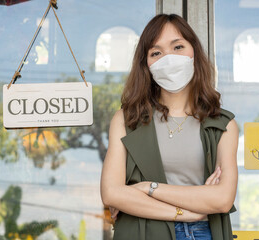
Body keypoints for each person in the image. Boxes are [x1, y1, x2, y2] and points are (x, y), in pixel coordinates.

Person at [100, 14, 238, 240]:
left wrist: (146, 188)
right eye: (156, 53)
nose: (169, 58)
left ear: (194, 52)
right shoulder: (126, 120)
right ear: (146, 64)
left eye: (178, 47)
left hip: (203, 234)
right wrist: (185, 213)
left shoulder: (223, 124)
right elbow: (111, 194)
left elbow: (222, 199)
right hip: (142, 233)